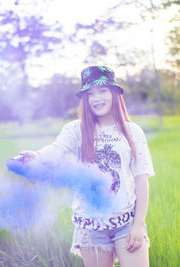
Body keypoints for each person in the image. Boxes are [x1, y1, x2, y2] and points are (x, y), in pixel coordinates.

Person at [18, 66, 154, 267]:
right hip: (91, 226)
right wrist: (37, 156)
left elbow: (141, 179)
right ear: (85, 99)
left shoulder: (132, 131)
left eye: (102, 91)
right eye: (90, 94)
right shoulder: (76, 129)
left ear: (114, 93)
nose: (96, 98)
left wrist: (138, 224)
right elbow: (57, 149)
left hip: (127, 222)